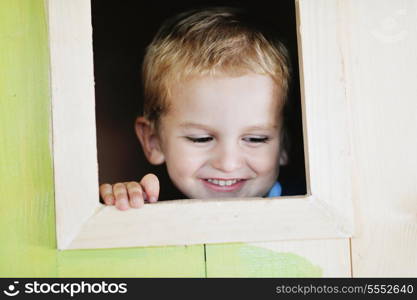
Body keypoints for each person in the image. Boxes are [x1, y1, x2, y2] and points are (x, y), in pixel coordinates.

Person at [99, 7, 292, 210]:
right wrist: (127, 207)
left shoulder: (310, 213)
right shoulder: (150, 206)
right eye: (200, 138)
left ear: (284, 143)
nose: (228, 164)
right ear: (153, 141)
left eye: (256, 139)